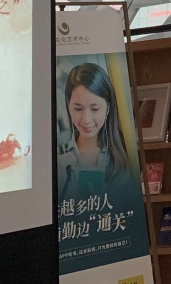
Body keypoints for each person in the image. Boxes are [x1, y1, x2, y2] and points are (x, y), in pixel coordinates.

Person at [57, 61, 134, 202]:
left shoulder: (127, 150)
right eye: (78, 109)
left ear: (108, 108)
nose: (86, 120)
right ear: (68, 106)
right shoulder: (56, 155)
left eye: (95, 109)